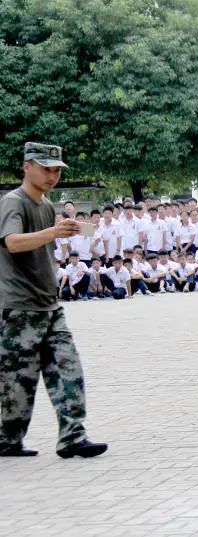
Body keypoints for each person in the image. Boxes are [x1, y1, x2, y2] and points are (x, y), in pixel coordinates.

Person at [0, 142, 108, 459]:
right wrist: (52, 233)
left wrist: (59, 233)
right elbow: (13, 243)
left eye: (57, 170)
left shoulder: (46, 206)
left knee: (67, 367)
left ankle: (73, 436)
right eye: (46, 168)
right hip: (18, 307)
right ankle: (8, 440)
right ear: (27, 167)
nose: (52, 176)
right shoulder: (13, 203)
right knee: (18, 381)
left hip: (48, 305)